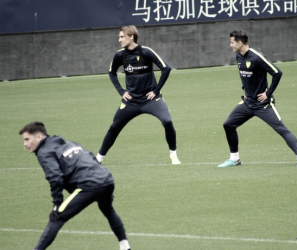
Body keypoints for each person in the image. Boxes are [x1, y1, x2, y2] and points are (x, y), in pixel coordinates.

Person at [19, 121, 131, 250]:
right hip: (106, 179)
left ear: (39, 137)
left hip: (89, 186)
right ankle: (125, 246)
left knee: (57, 218)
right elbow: (90, 156)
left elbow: (55, 178)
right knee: (108, 210)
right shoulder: (66, 143)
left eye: (27, 139)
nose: (25, 144)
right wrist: (103, 184)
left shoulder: (44, 152)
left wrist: (57, 204)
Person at [217, 30, 297, 167]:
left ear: (240, 43)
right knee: (228, 124)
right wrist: (245, 89)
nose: (230, 45)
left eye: (232, 42)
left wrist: (268, 93)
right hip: (247, 103)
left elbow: (277, 73)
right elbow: (245, 75)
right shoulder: (238, 57)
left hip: (263, 104)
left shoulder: (257, 57)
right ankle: (234, 158)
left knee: (281, 129)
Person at [96, 25, 180, 165]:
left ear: (131, 36)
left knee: (167, 121)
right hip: (131, 102)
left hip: (151, 100)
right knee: (114, 127)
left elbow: (166, 68)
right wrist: (122, 92)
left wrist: (156, 91)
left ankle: (173, 155)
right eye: (119, 37)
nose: (119, 40)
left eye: (122, 37)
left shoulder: (146, 52)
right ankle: (98, 159)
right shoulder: (119, 55)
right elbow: (112, 73)